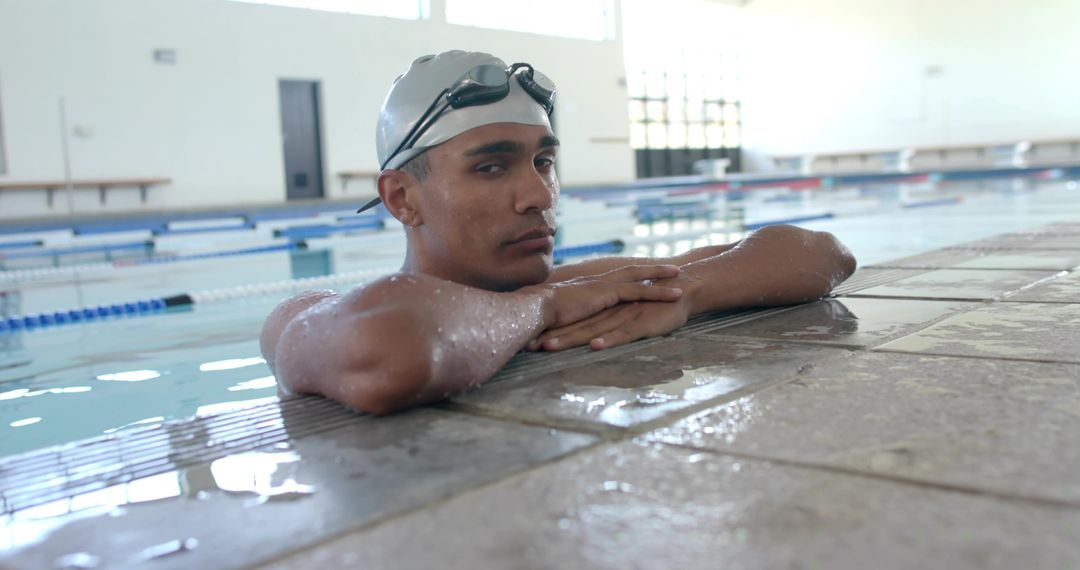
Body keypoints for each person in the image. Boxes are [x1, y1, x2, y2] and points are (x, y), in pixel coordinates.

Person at [260, 51, 856, 415]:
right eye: (491, 166)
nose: (539, 196)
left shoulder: (586, 284)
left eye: (543, 162)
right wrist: (543, 307)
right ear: (402, 198)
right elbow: (392, 351)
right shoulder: (312, 314)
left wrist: (689, 293)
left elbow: (820, 253)